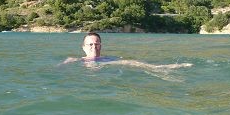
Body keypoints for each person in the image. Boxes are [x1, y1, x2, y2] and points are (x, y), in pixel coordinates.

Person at [63, 32, 193, 70]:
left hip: (107, 66)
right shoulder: (74, 60)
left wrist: (154, 67)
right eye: (90, 44)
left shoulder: (109, 59)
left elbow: (130, 62)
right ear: (84, 47)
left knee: (131, 62)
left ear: (100, 46)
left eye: (96, 44)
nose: (93, 46)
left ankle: (161, 67)